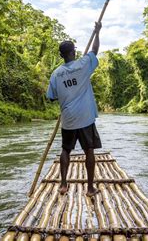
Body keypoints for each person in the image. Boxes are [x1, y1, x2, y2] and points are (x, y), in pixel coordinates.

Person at [46, 21, 103, 197]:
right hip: (85, 117)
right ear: (73, 52)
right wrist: (97, 31)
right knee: (89, 150)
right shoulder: (83, 64)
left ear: (61, 55)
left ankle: (63, 184)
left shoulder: (56, 74)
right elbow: (94, 50)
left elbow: (51, 97)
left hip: (68, 119)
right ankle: (90, 188)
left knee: (66, 150)